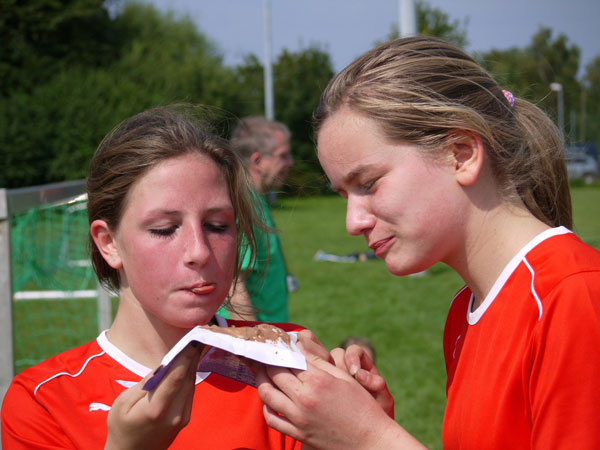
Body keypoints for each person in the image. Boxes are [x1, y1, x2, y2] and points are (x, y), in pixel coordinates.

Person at [255, 37, 600, 449]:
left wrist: (371, 438)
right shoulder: (464, 311)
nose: (352, 222)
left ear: (461, 154)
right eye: (344, 195)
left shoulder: (575, 297)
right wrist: (364, 425)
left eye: (368, 183)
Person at [1, 105, 303, 449]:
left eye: (217, 226)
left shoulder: (286, 367)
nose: (200, 251)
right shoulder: (44, 402)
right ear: (109, 243)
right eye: (164, 229)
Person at [218, 116, 295, 322]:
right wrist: (254, 340)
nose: (291, 162)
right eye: (283, 156)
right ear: (258, 161)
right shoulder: (244, 204)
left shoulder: (254, 199)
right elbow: (234, 287)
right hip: (254, 335)